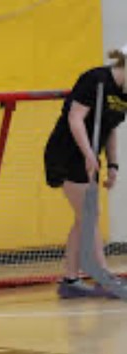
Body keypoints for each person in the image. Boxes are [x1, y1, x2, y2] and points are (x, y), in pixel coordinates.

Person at [44, 47, 127, 299]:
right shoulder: (95, 79)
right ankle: (103, 276)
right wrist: (89, 153)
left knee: (84, 218)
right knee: (90, 213)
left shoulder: (124, 94)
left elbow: (110, 128)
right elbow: (75, 118)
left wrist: (112, 164)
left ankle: (70, 280)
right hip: (67, 153)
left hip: (89, 155)